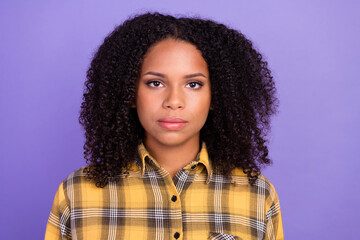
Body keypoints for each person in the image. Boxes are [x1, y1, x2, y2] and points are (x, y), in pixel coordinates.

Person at [45, 12, 283, 240]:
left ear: (216, 96)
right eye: (155, 83)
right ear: (129, 93)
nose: (174, 101)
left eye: (193, 84)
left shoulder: (258, 194)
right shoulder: (76, 193)